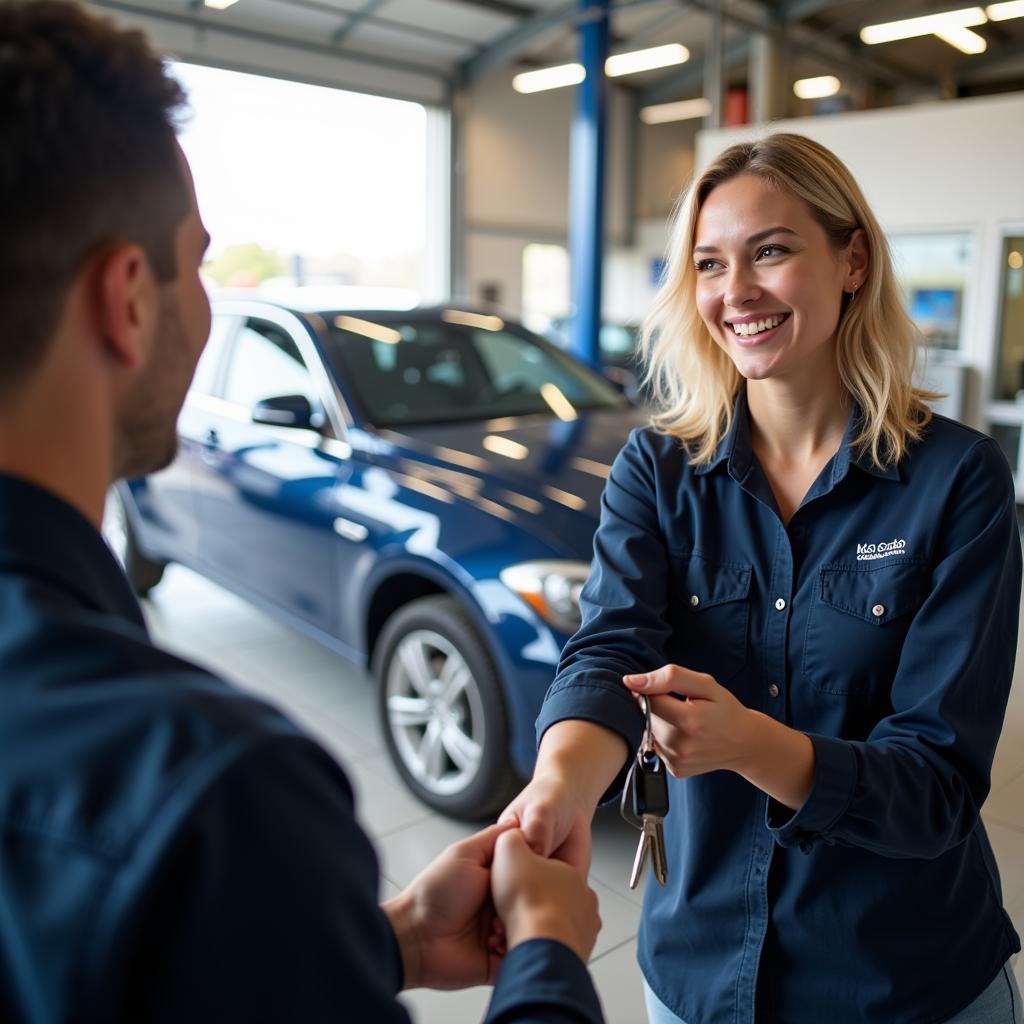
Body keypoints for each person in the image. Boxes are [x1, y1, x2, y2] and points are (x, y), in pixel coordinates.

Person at [0, 3, 605, 1021]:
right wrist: (547, 954)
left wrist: (393, 939)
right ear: (130, 298)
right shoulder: (219, 797)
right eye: (196, 262)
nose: (205, 300)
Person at [502, 132, 1024, 1024]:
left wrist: (752, 744)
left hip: (900, 975)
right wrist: (557, 790)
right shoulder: (656, 472)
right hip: (700, 964)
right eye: (709, 264)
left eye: (771, 251)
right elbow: (610, 651)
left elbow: (937, 784)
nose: (735, 292)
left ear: (851, 258)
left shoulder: (958, 480)